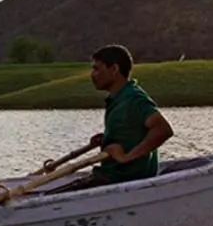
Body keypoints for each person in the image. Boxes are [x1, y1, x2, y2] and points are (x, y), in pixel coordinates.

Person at [56, 44, 174, 192]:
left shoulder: (133, 98)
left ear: (114, 69)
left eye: (97, 69)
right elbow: (131, 131)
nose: (92, 74)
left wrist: (127, 157)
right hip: (112, 176)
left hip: (124, 178)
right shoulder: (117, 99)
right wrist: (107, 138)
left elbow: (163, 130)